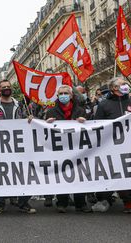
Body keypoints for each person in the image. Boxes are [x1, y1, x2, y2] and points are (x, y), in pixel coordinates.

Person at [0, 80, 36, 214]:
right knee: (1, 174)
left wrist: (30, 118)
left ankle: (23, 202)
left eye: (8, 86)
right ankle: (0, 203)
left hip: (19, 145)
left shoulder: (19, 104)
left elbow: (26, 118)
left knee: (22, 173)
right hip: (0, 146)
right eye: (4, 87)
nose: (7, 88)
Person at [45, 85, 92, 213]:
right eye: (61, 94)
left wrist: (85, 121)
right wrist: (47, 124)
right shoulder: (51, 112)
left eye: (66, 93)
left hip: (77, 148)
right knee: (61, 174)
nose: (63, 95)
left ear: (71, 96)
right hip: (60, 149)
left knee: (79, 174)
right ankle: (62, 202)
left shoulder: (80, 110)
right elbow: (44, 133)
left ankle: (80, 203)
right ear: (57, 96)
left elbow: (91, 129)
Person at [93, 77, 131, 213]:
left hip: (129, 144)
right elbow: (97, 124)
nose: (126, 85)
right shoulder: (104, 104)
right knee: (118, 171)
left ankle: (128, 201)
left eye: (126, 84)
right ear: (114, 88)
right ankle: (118, 200)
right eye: (122, 84)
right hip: (112, 145)